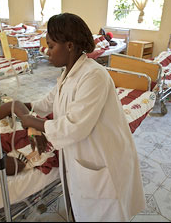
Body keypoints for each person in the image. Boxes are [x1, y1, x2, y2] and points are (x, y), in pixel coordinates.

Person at [17, 13, 145, 221]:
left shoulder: (94, 75)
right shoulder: (67, 74)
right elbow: (48, 102)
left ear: (69, 46)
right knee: (85, 210)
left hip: (103, 159)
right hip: (83, 158)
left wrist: (34, 123)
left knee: (105, 213)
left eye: (51, 46)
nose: (47, 52)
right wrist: (24, 106)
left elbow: (75, 127)